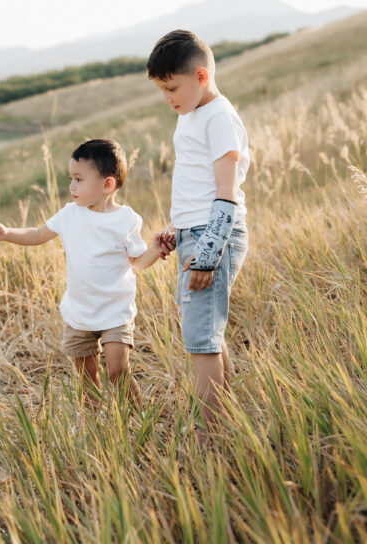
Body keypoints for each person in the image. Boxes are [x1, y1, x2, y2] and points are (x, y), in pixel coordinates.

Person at [0, 138, 166, 409]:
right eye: (71, 178)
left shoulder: (126, 219)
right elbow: (37, 234)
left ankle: (137, 418)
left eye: (79, 179)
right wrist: (7, 233)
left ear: (107, 184)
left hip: (115, 311)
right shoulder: (70, 214)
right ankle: (95, 425)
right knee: (87, 376)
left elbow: (137, 263)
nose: (71, 187)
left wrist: (156, 248)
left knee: (117, 371)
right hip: (79, 312)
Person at [147, 29, 249, 434]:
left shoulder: (219, 117)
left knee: (200, 337)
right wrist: (179, 227)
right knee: (207, 331)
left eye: (173, 87)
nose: (169, 98)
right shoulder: (192, 115)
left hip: (215, 234)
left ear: (202, 77)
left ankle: (214, 434)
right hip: (197, 230)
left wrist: (207, 251)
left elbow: (227, 194)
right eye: (162, 90)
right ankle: (224, 422)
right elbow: (197, 185)